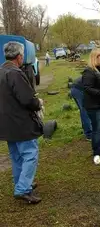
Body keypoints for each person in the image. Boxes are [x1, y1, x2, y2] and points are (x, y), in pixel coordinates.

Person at [0, 41, 44, 204]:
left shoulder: (1, 71)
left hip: (6, 124)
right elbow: (27, 99)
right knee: (30, 155)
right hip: (20, 123)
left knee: (17, 157)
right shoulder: (15, 73)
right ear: (19, 57)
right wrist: (38, 103)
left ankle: (22, 183)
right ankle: (23, 189)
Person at [70, 76, 92, 141]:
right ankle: (89, 135)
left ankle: (86, 130)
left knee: (83, 111)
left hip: (74, 88)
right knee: (85, 112)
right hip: (80, 90)